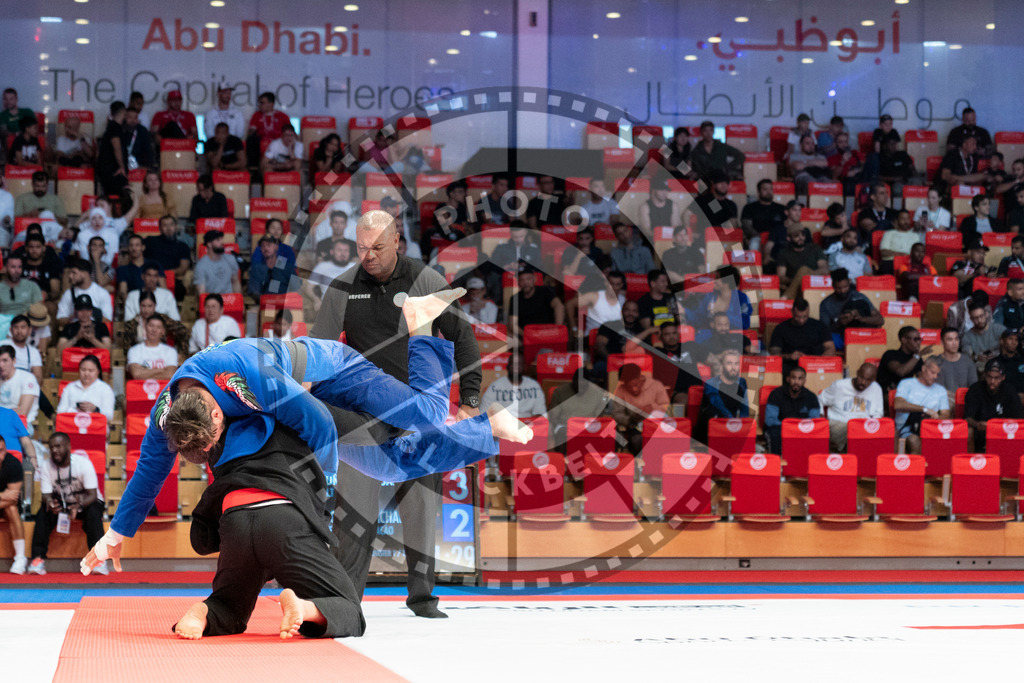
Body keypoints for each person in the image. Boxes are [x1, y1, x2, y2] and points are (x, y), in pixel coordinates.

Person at [83, 294, 529, 574]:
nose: (212, 450)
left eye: (213, 440)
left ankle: (421, 321)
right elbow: (147, 474)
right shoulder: (169, 413)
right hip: (288, 403)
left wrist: (325, 504)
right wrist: (115, 534)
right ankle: (487, 429)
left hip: (334, 370)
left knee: (427, 414)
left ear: (217, 416)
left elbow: (315, 421)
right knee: (386, 464)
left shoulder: (246, 376)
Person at [311, 209, 485, 619]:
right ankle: (346, 598)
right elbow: (317, 351)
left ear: (397, 243)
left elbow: (464, 338)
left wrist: (472, 400)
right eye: (361, 248)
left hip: (420, 411)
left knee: (421, 506)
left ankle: (423, 599)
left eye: (377, 247)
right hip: (361, 414)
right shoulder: (342, 287)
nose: (368, 255)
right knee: (354, 512)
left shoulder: (425, 281)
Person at [27, 432, 106, 576]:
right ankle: (37, 559)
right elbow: (45, 495)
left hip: (87, 502)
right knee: (43, 512)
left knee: (94, 512)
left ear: (68, 447)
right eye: (51, 447)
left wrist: (79, 505)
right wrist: (50, 503)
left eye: (58, 446)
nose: (54, 450)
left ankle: (98, 560)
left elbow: (93, 495)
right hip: (63, 502)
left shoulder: (83, 464)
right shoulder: (46, 465)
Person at [818, 363, 884, 452]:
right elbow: (819, 400)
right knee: (852, 429)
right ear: (857, 373)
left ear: (873, 380)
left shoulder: (876, 389)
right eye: (861, 377)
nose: (863, 382)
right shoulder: (839, 386)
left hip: (862, 427)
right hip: (839, 424)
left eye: (868, 380)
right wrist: (821, 419)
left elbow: (878, 414)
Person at [964, 358, 1024, 452]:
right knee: (969, 431)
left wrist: (992, 426)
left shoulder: (1010, 391)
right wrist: (977, 424)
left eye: (996, 378)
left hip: (1005, 431)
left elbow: (1019, 420)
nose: (992, 381)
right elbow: (968, 418)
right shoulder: (975, 389)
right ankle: (970, 464)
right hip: (980, 431)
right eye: (989, 377)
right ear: (984, 375)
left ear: (1003, 377)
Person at [893, 358, 950, 454]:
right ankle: (918, 468)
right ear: (924, 369)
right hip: (906, 428)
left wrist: (936, 417)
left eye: (938, 374)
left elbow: (946, 415)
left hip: (931, 429)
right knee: (914, 441)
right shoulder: (907, 384)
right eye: (932, 372)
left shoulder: (941, 390)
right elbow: (898, 404)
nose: (935, 377)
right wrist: (924, 409)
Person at [611, 363, 670, 453]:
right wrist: (630, 419)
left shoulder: (656, 385)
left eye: (636, 384)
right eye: (629, 387)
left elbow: (668, 408)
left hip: (658, 424)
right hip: (636, 426)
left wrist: (652, 407)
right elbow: (617, 413)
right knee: (636, 440)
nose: (634, 389)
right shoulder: (621, 390)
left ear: (640, 378)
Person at [768, 299, 835, 376]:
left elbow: (831, 348)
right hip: (790, 366)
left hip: (815, 366)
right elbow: (773, 353)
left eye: (805, 317)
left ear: (808, 312)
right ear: (792, 312)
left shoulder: (819, 326)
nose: (801, 320)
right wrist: (789, 356)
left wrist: (815, 361)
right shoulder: (781, 328)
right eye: (798, 317)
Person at [764, 365, 821, 454]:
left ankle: (811, 464)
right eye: (793, 378)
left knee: (818, 434)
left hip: (802, 429)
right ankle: (777, 464)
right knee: (774, 434)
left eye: (800, 379)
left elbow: (815, 420)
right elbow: (770, 420)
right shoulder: (775, 394)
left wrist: (798, 428)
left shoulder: (811, 397)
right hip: (780, 428)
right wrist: (790, 427)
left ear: (804, 381)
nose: (796, 382)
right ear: (788, 379)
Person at [696, 349, 748, 442]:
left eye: (736, 364)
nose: (733, 367)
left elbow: (745, 408)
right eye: (729, 363)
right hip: (710, 428)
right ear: (722, 366)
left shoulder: (742, 382)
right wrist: (733, 423)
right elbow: (718, 404)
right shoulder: (711, 383)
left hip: (731, 428)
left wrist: (742, 426)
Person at [818, 269, 883, 339]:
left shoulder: (859, 297)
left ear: (849, 282)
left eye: (845, 287)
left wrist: (861, 318)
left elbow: (880, 320)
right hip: (840, 336)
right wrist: (839, 323)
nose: (843, 291)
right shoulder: (826, 304)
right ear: (833, 286)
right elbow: (823, 332)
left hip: (862, 335)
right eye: (839, 288)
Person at [480, 351, 546, 418]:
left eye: (519, 364)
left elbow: (541, 414)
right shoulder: (495, 387)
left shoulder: (534, 386)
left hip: (527, 425)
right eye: (513, 364)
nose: (516, 367)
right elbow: (483, 414)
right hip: (502, 424)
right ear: (507, 367)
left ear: (525, 367)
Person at [507, 265, 565, 339]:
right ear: (518, 282)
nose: (525, 283)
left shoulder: (545, 291)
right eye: (521, 280)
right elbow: (512, 324)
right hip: (525, 336)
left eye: (528, 279)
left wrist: (557, 328)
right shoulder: (514, 298)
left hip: (547, 333)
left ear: (534, 279)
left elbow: (559, 306)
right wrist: (527, 335)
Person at [776, 223, 829, 300]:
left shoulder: (815, 248)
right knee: (802, 272)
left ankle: (786, 298)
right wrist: (798, 280)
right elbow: (781, 277)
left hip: (815, 283)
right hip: (794, 285)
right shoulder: (784, 252)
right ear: (789, 238)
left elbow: (824, 270)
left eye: (803, 235)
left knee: (803, 270)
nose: (801, 238)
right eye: (796, 236)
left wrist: (803, 278)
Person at [144, 215, 191, 299]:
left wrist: (163, 274)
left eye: (171, 225)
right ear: (160, 228)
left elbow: (183, 268)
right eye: (165, 225)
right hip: (149, 278)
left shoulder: (183, 246)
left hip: (171, 277)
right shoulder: (150, 241)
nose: (169, 228)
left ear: (176, 227)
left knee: (180, 289)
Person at [56, 355, 115, 421]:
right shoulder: (70, 387)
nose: (86, 374)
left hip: (96, 427)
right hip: (71, 426)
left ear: (98, 372)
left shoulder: (105, 389)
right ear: (79, 370)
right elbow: (60, 412)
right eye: (83, 370)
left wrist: (95, 410)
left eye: (91, 370)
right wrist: (74, 410)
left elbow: (109, 415)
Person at [692, 266, 752, 331]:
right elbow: (697, 319)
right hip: (711, 337)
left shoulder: (742, 298)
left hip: (733, 337)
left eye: (717, 278)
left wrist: (720, 314)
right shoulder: (709, 297)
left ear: (727, 281)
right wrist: (685, 311)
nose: (714, 281)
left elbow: (745, 324)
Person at [931, 327, 978, 405]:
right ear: (942, 342)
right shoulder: (936, 362)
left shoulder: (968, 362)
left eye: (956, 339)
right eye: (950, 340)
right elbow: (936, 389)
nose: (954, 343)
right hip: (943, 401)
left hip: (965, 400)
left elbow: (974, 388)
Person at [0, 435, 26, 574]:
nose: (0, 455)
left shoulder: (13, 463)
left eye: (2, 450)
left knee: (11, 508)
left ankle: (20, 557)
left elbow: (13, 498)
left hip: (6, 505)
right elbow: (7, 496)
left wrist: (5, 497)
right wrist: (2, 495)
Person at [304, 240, 354, 311]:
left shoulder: (356, 268)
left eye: (346, 250)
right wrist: (316, 300)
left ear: (349, 253)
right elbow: (308, 288)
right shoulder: (322, 267)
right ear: (332, 252)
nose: (343, 253)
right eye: (339, 250)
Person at [96, 101, 130, 202]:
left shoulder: (110, 127)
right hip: (113, 170)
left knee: (110, 198)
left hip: (106, 169)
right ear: (123, 111)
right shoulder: (115, 127)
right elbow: (116, 144)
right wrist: (121, 166)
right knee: (119, 198)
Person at [246, 91, 291, 169]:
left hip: (279, 147)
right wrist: (252, 130)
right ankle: (254, 169)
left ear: (271, 104)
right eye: (259, 103)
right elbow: (251, 132)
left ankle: (283, 167)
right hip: (261, 145)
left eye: (262, 103)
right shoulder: (257, 115)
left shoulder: (283, 116)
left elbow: (291, 133)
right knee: (251, 139)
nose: (259, 105)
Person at [878, 326, 931, 392]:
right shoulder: (890, 354)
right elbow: (901, 371)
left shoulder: (917, 359)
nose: (918, 342)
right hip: (887, 395)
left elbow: (922, 380)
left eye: (919, 339)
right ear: (904, 340)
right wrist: (919, 354)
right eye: (915, 339)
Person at [127, 316, 179, 380]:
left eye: (158, 327)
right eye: (151, 326)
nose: (154, 330)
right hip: (139, 389)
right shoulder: (134, 350)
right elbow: (136, 374)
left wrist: (144, 371)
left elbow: (170, 375)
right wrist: (161, 370)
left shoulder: (170, 351)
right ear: (145, 327)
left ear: (163, 331)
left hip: (164, 389)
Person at [962, 300, 1006, 373]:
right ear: (971, 319)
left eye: (981, 316)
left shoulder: (998, 329)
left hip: (1000, 366)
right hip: (979, 369)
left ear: (986, 314)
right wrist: (976, 357)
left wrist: (997, 353)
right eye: (975, 318)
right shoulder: (967, 337)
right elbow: (967, 357)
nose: (979, 320)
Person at [194, 230, 241, 295]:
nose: (222, 242)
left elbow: (235, 282)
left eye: (222, 239)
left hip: (229, 300)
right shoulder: (201, 265)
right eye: (218, 240)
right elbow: (201, 293)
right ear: (209, 244)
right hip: (211, 301)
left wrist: (237, 301)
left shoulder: (231, 259)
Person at [0, 255, 43, 320]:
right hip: (4, 323)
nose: (17, 271)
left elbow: (39, 310)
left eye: (19, 267)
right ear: (5, 268)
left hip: (28, 322)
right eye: (13, 267)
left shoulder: (32, 286)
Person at [4, 316, 42, 382]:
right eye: (16, 327)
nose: (19, 331)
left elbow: (39, 379)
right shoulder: (2, 345)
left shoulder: (34, 352)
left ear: (29, 330)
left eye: (23, 327)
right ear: (11, 330)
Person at [122, 107, 155, 172]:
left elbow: (148, 151)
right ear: (124, 118)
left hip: (140, 165)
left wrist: (147, 166)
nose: (133, 120)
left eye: (135, 118)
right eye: (130, 117)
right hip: (123, 165)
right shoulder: (120, 131)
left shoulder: (142, 131)